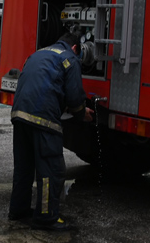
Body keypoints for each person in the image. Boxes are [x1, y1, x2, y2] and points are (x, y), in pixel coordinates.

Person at [8, 31, 93, 231]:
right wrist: (82, 114)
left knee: (24, 168)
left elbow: (46, 87)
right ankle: (46, 218)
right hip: (43, 120)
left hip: (19, 115)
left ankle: (18, 211)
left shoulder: (38, 54)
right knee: (51, 170)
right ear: (75, 47)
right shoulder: (70, 58)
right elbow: (74, 98)